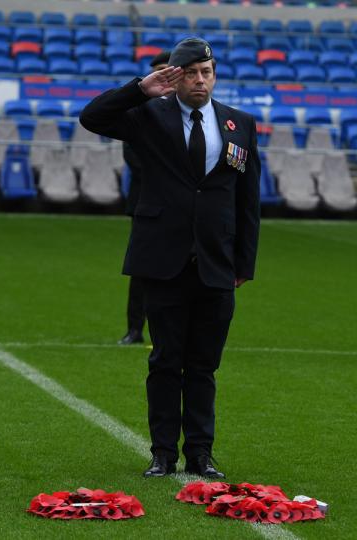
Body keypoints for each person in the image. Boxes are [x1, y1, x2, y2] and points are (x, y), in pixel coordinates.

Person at [80, 38, 260, 478]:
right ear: (176, 76)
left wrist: (244, 264)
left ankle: (200, 453)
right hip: (162, 259)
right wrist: (142, 88)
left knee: (204, 365)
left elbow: (247, 200)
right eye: (192, 73)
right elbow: (92, 117)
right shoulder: (148, 116)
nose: (201, 81)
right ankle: (163, 453)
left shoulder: (240, 124)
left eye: (207, 72)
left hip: (216, 264)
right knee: (164, 361)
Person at [118, 50, 171, 346]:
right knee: (140, 268)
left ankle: (167, 331)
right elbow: (132, 155)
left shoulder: (188, 111)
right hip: (145, 202)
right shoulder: (139, 112)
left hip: (179, 204)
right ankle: (134, 329)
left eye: (167, 68)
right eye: (158, 70)